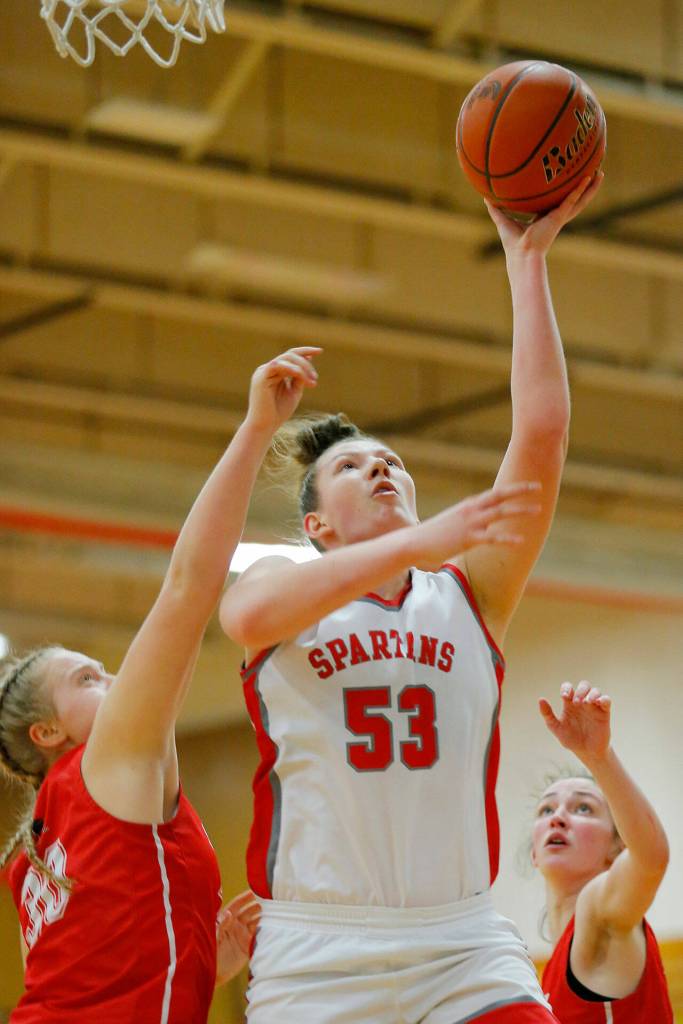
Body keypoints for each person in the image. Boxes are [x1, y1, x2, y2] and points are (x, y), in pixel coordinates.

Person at [220, 174, 603, 1024]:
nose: (381, 467)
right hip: (318, 950)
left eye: (392, 460)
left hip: (461, 941)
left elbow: (540, 435)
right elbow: (243, 620)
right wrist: (420, 541)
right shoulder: (279, 587)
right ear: (316, 523)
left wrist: (526, 259)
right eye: (353, 466)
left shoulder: (468, 595)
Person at [0, 346, 321, 1023]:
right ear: (48, 733)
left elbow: (92, 984)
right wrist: (256, 430)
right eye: (88, 678)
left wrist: (198, 965)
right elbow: (188, 586)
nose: (115, 679)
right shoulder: (105, 761)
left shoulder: (29, 856)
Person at [533, 681, 673, 1022]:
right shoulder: (540, 975)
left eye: (583, 808)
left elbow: (650, 859)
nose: (559, 818)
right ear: (534, 854)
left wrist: (599, 757)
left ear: (617, 847)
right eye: (546, 810)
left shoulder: (598, 909)